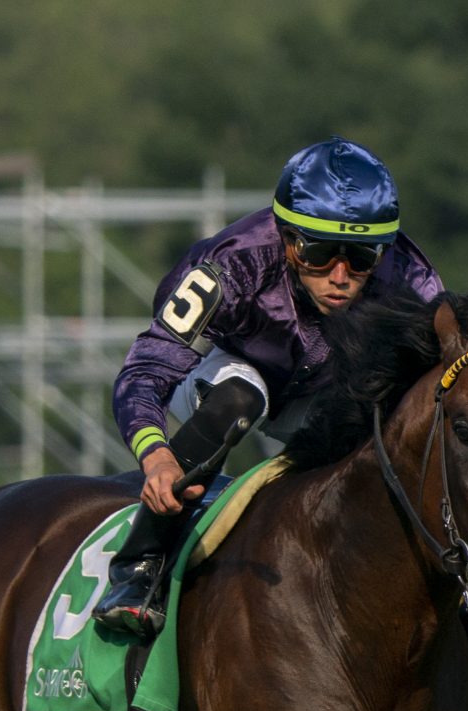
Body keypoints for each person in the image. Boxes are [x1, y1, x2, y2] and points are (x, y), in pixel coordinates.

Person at [94, 136, 444, 634]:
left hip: (326, 393)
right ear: (286, 238)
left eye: (362, 257)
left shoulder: (412, 278)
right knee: (241, 397)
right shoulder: (228, 266)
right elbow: (146, 368)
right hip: (229, 372)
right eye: (321, 253)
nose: (341, 276)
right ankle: (140, 566)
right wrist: (155, 455)